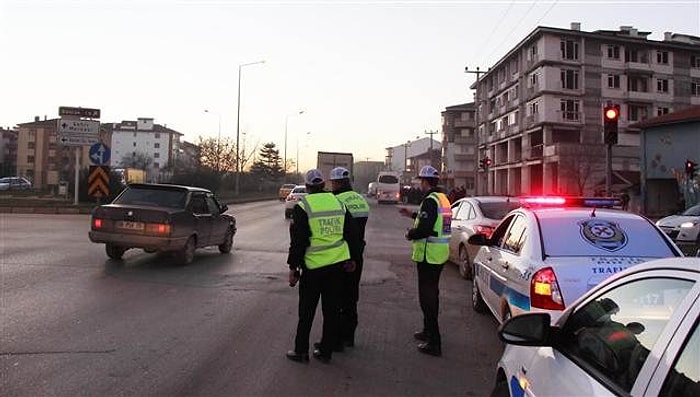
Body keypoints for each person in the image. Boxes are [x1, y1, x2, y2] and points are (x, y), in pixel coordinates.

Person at [286, 169, 361, 364]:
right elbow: (352, 234)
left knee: (307, 312)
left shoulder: (303, 207)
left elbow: (299, 242)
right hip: (337, 266)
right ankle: (326, 351)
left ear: (309, 187)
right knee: (332, 311)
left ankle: (301, 351)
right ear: (323, 185)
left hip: (312, 268)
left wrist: (293, 268)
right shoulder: (339, 203)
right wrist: (352, 259)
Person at [398, 165, 452, 357]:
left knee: (427, 299)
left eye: (421, 180)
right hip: (439, 254)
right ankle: (427, 330)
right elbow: (430, 220)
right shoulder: (442, 199)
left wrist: (410, 234)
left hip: (428, 254)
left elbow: (425, 228)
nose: (419, 183)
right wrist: (410, 215)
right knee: (432, 295)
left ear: (425, 182)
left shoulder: (430, 200)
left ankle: (434, 342)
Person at [328, 166, 369, 349]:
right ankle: (349, 337)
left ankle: (336, 339)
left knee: (336, 298)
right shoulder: (360, 199)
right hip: (357, 255)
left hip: (340, 255)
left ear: (336, 182)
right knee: (351, 297)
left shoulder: (336, 200)